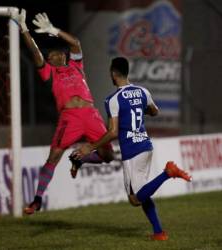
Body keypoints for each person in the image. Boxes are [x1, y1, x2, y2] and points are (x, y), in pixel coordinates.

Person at [73, 57, 192, 241]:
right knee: (142, 192)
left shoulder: (113, 99)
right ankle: (159, 232)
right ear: (127, 72)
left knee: (134, 198)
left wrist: (91, 146)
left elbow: (112, 132)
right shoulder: (143, 91)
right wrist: (137, 108)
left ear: (113, 73)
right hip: (145, 145)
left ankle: (167, 173)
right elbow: (154, 111)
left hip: (131, 151)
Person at [12, 10, 114, 215]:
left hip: (91, 114)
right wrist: (24, 30)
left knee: (108, 156)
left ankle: (80, 159)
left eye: (56, 53)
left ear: (63, 55)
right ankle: (37, 200)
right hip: (70, 118)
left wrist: (53, 30)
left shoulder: (77, 66)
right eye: (50, 55)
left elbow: (76, 42)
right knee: (54, 156)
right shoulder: (49, 72)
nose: (53, 55)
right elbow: (35, 53)